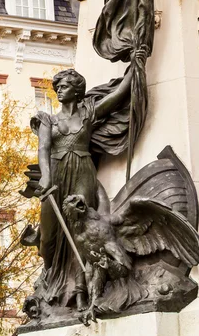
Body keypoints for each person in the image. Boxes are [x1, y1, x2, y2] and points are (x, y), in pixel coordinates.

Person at [31, 66, 134, 310]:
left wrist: (135, 64)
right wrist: (45, 177)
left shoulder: (88, 113)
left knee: (81, 235)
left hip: (82, 172)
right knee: (47, 237)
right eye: (57, 87)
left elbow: (118, 95)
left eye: (64, 86)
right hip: (55, 176)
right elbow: (43, 149)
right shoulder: (48, 120)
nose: (58, 90)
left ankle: (80, 292)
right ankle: (51, 280)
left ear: (77, 92)